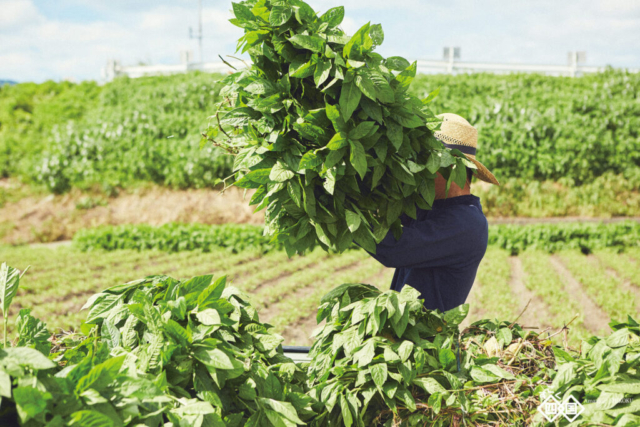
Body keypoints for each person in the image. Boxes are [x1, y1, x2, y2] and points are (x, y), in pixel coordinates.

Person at [366, 113, 500, 312]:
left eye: (428, 163)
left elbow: (393, 249)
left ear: (453, 167)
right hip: (402, 335)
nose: (420, 170)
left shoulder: (468, 224)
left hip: (427, 340)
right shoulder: (432, 207)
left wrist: (341, 213)